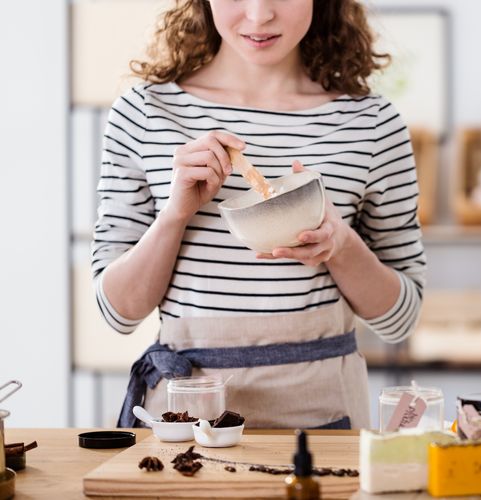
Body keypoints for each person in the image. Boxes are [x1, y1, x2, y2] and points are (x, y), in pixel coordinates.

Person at [91, 0, 425, 429]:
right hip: (186, 415)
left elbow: (401, 318)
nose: (258, 15)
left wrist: (339, 245)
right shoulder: (144, 114)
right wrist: (175, 215)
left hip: (324, 414)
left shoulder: (373, 124)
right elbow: (118, 312)